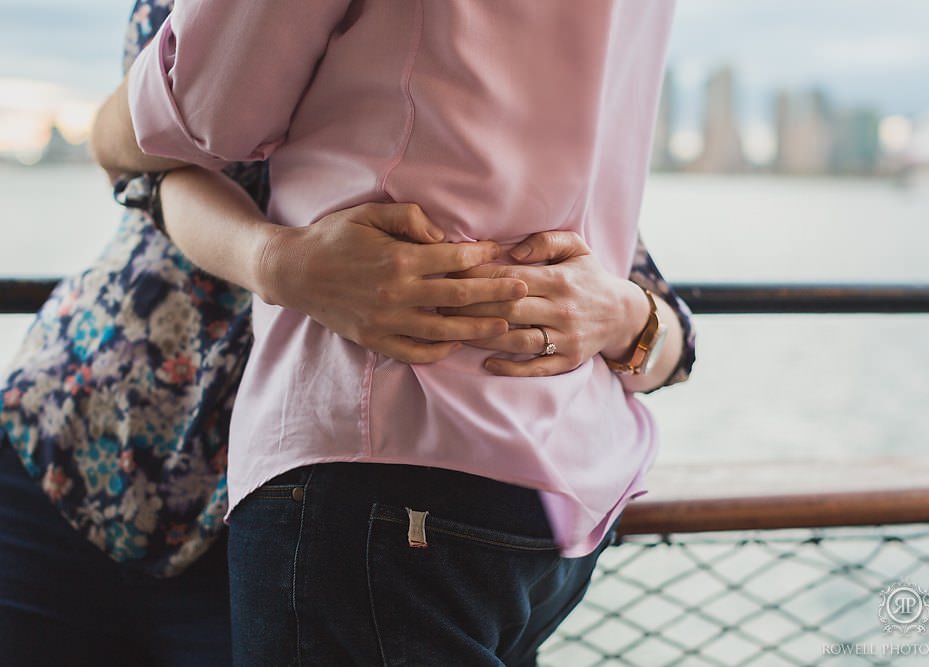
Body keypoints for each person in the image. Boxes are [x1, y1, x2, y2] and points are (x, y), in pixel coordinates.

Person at [0, 3, 694, 667]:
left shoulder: (509, 105)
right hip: (87, 443)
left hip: (305, 496)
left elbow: (668, 331)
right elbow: (149, 156)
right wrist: (280, 263)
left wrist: (626, 316)